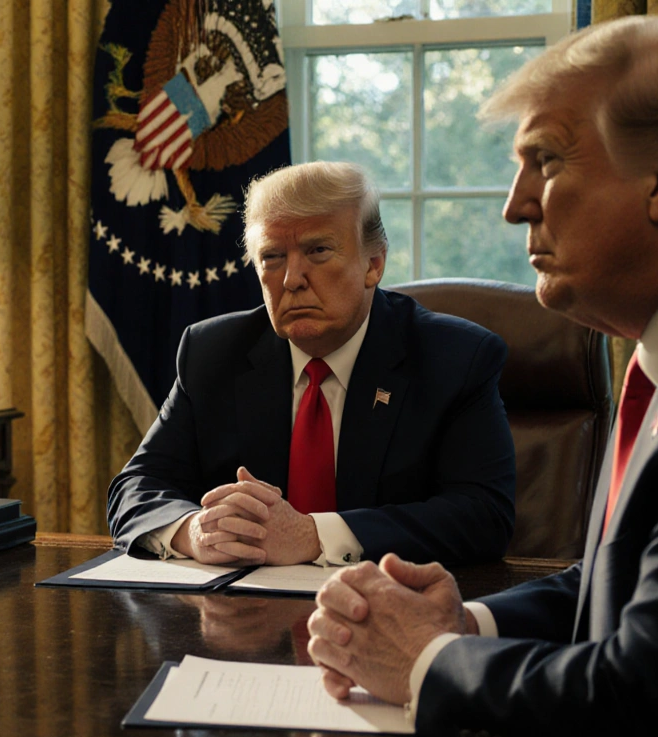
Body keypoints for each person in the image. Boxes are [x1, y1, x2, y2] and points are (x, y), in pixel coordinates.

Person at [307, 14, 658, 737]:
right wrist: (467, 625)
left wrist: (425, 663)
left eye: (546, 161)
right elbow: (627, 582)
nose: (514, 203)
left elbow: (656, 697)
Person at [107, 161, 516, 568]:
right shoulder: (213, 352)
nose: (292, 279)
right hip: (243, 616)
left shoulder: (456, 357)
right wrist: (196, 530)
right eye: (272, 257)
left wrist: (314, 536)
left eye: (318, 251)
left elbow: (484, 516)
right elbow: (136, 488)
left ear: (374, 264)